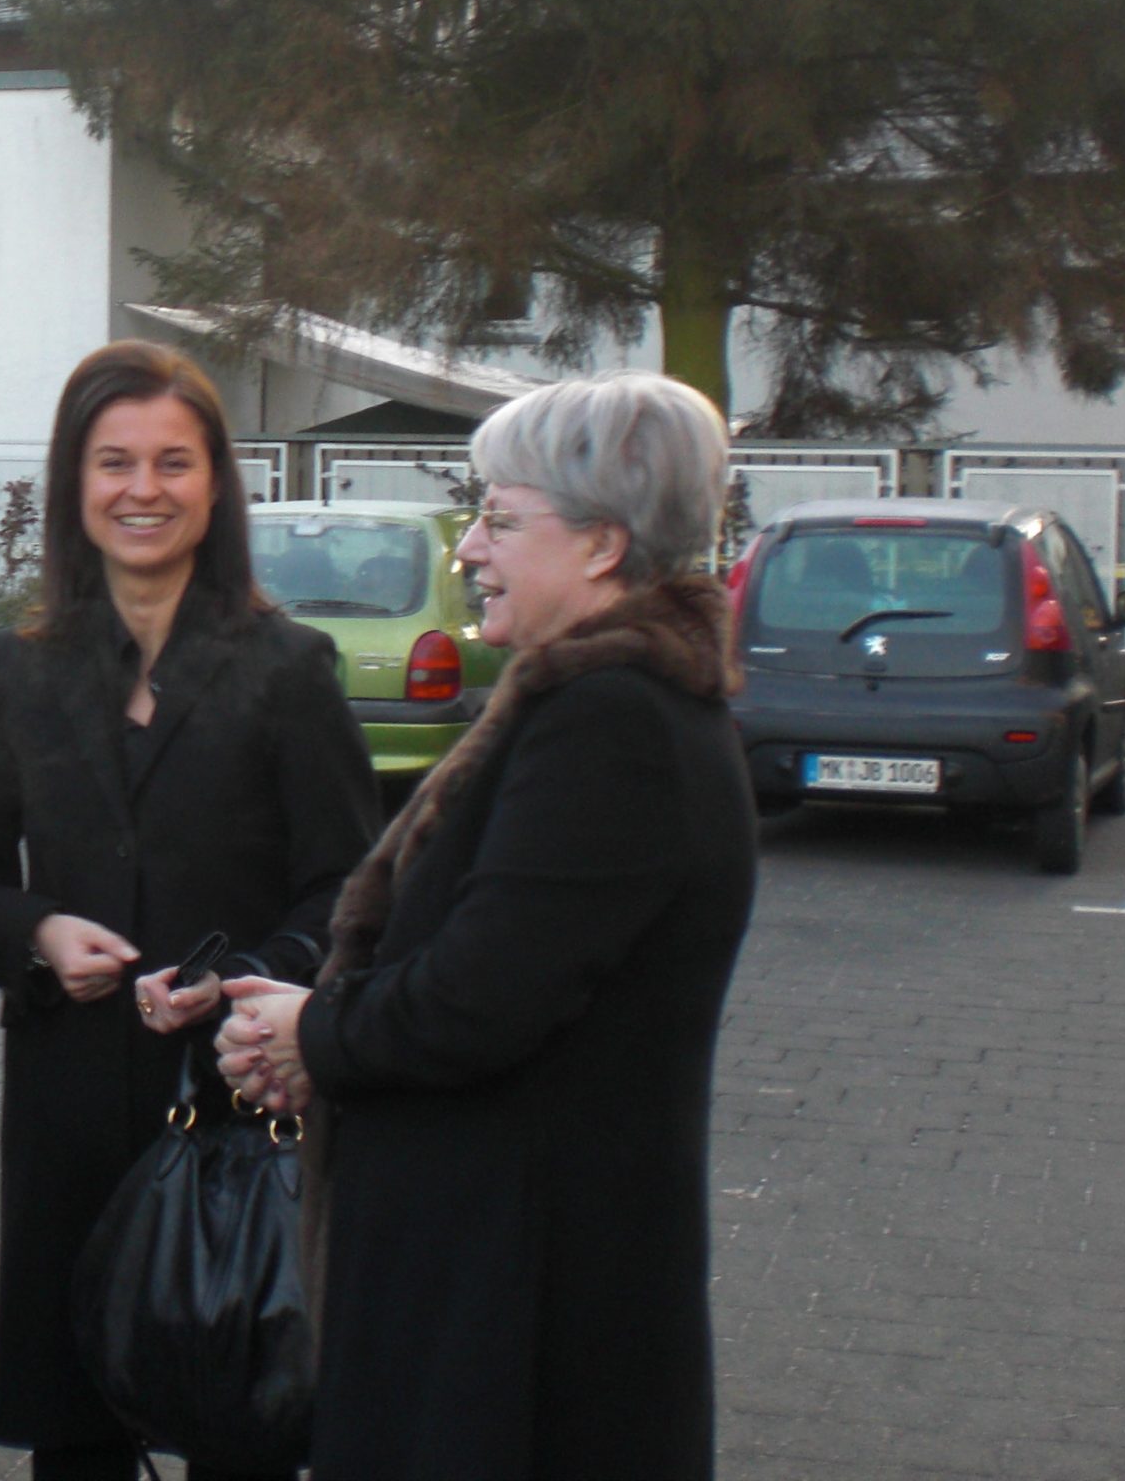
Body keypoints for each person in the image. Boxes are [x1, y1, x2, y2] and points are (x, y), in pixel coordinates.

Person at [216, 370, 758, 1480]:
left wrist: (312, 1032)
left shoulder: (612, 722)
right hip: (506, 1276)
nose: (468, 548)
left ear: (602, 544)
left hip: (518, 1316)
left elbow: (478, 1000)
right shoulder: (612, 704)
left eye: (501, 520)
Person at [0, 339, 376, 1481]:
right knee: (76, 1436)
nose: (144, 490)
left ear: (216, 484)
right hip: (69, 1116)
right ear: (73, 483)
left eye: (173, 462)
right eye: (115, 462)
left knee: (241, 1428)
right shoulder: (19, 671)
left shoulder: (287, 667)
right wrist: (36, 934)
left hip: (240, 1108)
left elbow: (349, 886)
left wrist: (251, 976)